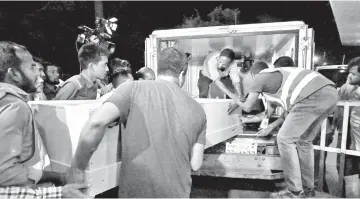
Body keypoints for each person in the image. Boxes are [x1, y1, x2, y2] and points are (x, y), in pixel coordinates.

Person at [66, 47, 206, 198]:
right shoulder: (198, 110)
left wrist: (78, 169)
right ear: (183, 71)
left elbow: (96, 123)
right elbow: (195, 164)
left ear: (158, 68)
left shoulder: (133, 89)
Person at [229, 62, 337, 198]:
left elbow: (248, 107)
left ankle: (295, 192)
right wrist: (253, 122)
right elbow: (270, 114)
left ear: (252, 74)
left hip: (313, 95)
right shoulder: (278, 82)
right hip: (330, 94)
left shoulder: (259, 78)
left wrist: (237, 101)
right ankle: (307, 189)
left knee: (284, 139)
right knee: (304, 142)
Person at [0, 41, 89, 198]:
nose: (40, 73)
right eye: (32, 67)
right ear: (13, 73)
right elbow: (5, 173)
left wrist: (55, 176)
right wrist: (56, 188)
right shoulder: (14, 106)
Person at [334, 57, 360, 197]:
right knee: (344, 167)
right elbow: (338, 105)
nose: (349, 76)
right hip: (347, 133)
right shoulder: (346, 87)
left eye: (353, 73)